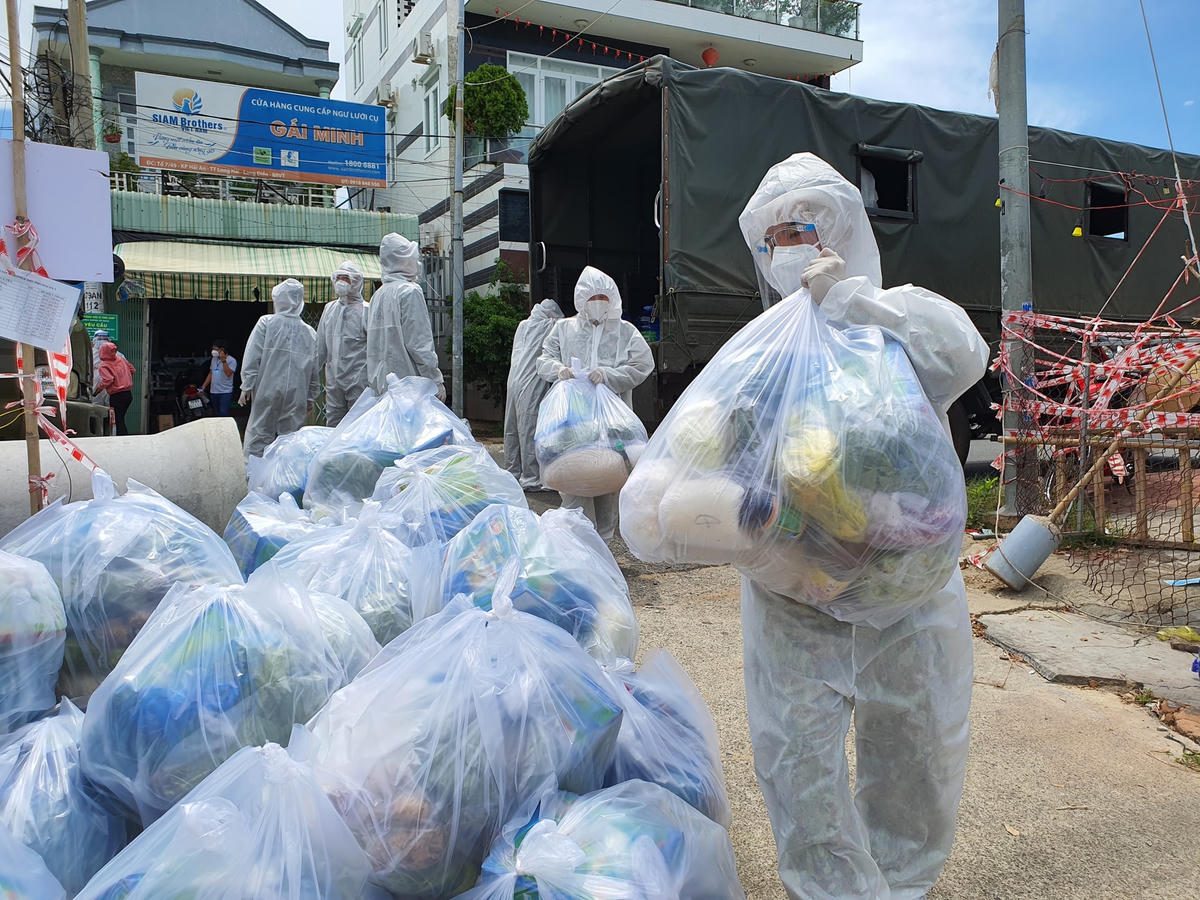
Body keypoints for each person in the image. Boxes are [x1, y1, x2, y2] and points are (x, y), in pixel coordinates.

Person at [735, 153, 989, 900]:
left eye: (801, 229)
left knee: (916, 742)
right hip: (794, 588)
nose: (787, 247)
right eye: (774, 235)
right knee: (796, 754)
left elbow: (965, 355)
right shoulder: (765, 346)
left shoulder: (896, 314)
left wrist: (854, 302)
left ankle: (901, 884)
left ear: (842, 230)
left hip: (902, 583)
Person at [536, 266, 653, 539]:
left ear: (612, 299)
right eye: (592, 297)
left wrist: (609, 376)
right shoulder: (564, 329)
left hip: (613, 425)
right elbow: (543, 360)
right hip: (571, 423)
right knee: (573, 485)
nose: (598, 302)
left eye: (603, 297)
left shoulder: (625, 331)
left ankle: (604, 544)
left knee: (609, 484)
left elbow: (643, 364)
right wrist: (560, 370)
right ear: (581, 299)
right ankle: (578, 546)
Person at [239, 278, 320, 458]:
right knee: (290, 440)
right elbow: (314, 370)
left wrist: (247, 385)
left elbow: (253, 354)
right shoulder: (310, 333)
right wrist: (310, 396)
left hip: (267, 389)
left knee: (259, 435)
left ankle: (253, 473)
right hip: (296, 394)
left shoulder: (266, 323)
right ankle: (285, 474)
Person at [365, 233, 445, 401]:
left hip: (380, 389)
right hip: (409, 388)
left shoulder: (377, 296)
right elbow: (420, 344)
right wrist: (435, 380)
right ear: (404, 260)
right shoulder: (409, 291)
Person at [504, 298, 564, 490]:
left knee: (512, 429)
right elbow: (566, 326)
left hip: (514, 380)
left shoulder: (523, 325)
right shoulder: (547, 325)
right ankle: (532, 477)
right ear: (550, 315)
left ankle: (512, 472)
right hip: (531, 382)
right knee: (529, 429)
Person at [316, 261, 370, 427]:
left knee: (357, 426)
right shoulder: (329, 309)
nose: (340, 282)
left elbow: (376, 349)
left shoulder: (366, 310)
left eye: (345, 278)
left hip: (359, 380)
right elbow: (320, 348)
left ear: (356, 281)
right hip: (333, 381)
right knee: (333, 425)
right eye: (338, 277)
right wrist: (310, 378)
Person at [95, 341, 135, 435]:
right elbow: (132, 370)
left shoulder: (104, 365)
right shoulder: (122, 360)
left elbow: (108, 380)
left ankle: (121, 438)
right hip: (128, 394)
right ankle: (124, 436)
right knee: (121, 418)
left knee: (117, 420)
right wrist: (124, 378)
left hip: (117, 396)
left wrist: (97, 390)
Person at [201, 338, 238, 416]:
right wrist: (204, 386)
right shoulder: (214, 359)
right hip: (214, 391)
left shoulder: (232, 360)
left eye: (215, 349)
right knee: (216, 413)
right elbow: (211, 373)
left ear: (222, 349)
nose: (213, 351)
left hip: (225, 392)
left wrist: (223, 361)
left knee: (223, 412)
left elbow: (228, 373)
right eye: (213, 349)